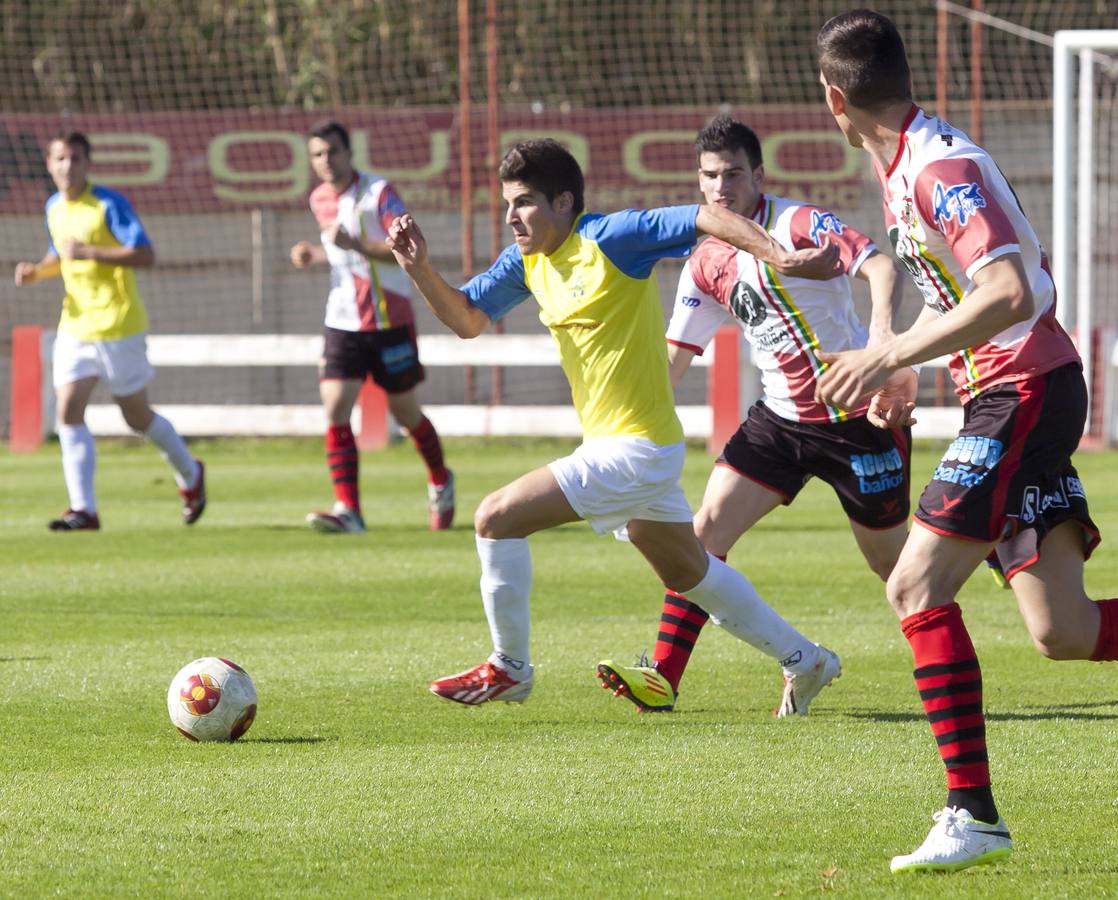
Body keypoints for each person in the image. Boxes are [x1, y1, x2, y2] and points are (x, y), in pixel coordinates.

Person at [385, 138, 846, 708]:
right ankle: (807, 659)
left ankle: (509, 667)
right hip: (630, 449)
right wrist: (420, 268)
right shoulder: (526, 262)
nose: (511, 217)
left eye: (525, 202)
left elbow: (706, 215)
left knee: (496, 517)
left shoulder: (613, 238)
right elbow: (468, 319)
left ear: (564, 202)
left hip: (634, 450)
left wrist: (780, 256)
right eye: (507, 203)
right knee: (694, 575)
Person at [814, 9, 1118, 874]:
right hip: (1015, 389)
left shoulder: (939, 168)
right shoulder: (908, 159)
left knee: (914, 584)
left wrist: (889, 352)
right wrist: (913, 365)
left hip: (1024, 390)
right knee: (1063, 629)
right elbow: (970, 296)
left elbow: (1012, 290)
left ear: (834, 98)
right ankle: (973, 815)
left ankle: (972, 814)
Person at [596, 115, 912, 715]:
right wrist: (623, 421)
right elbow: (674, 357)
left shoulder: (799, 223)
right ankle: (662, 676)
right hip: (779, 423)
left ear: (759, 175)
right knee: (702, 535)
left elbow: (880, 265)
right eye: (710, 176)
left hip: (855, 422)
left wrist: (881, 342)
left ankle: (994, 542)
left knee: (902, 575)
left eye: (734, 174)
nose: (721, 188)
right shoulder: (705, 261)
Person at [13, 131, 205, 531]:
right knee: (68, 411)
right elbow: (60, 253)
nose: (68, 166)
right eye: (60, 159)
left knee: (137, 418)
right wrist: (37, 271)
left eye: (76, 159)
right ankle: (83, 509)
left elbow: (145, 253)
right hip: (76, 325)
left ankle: (190, 474)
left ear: (88, 163)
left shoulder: (107, 204)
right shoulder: (53, 207)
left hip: (118, 325)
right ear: (49, 165)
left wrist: (91, 252)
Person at [289, 119, 453, 533]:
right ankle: (349, 510)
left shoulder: (378, 193)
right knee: (335, 406)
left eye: (333, 152)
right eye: (318, 154)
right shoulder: (319, 199)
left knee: (406, 413)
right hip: (341, 321)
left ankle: (440, 479)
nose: (326, 161)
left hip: (387, 319)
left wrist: (357, 244)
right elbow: (344, 255)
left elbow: (406, 246)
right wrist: (315, 253)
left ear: (349, 153)